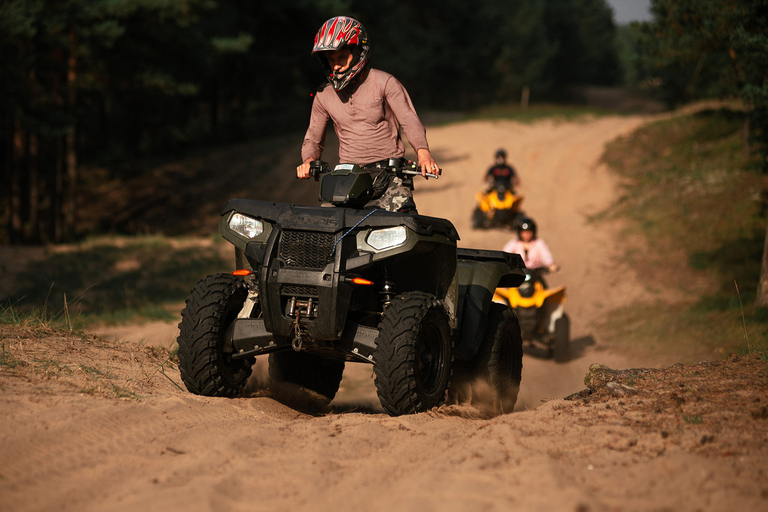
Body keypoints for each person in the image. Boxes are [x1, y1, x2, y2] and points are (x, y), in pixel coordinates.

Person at [296, 16, 440, 213]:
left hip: (390, 178)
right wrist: (308, 161)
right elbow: (313, 137)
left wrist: (423, 154)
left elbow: (409, 120)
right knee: (328, 231)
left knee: (403, 228)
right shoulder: (323, 95)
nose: (336, 66)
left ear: (358, 53)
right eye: (331, 60)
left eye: (341, 58)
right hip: (347, 179)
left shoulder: (385, 83)